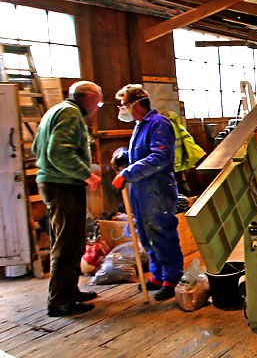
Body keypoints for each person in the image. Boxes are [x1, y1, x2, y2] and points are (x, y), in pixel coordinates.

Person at [33, 81, 103, 317]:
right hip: (63, 185)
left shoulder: (54, 111)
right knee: (67, 243)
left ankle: (70, 291)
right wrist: (85, 175)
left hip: (55, 181)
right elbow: (58, 152)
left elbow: (37, 148)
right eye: (98, 102)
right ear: (90, 98)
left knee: (71, 240)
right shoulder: (71, 114)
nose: (97, 107)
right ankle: (60, 301)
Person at [111, 84, 183, 302]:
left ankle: (172, 277)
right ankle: (158, 275)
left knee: (161, 232)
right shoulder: (140, 125)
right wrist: (124, 156)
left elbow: (160, 157)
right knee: (145, 233)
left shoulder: (158, 123)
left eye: (123, 105)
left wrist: (128, 172)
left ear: (136, 104)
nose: (121, 109)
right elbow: (141, 153)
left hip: (157, 189)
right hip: (141, 189)